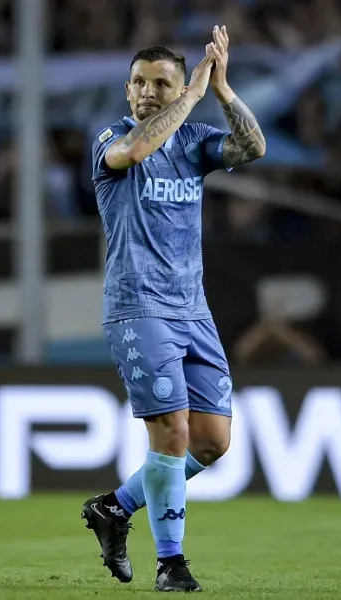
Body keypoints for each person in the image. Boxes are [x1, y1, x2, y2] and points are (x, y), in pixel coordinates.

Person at [81, 26, 266, 593]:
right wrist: (191, 95)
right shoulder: (111, 138)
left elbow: (253, 148)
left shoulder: (194, 143)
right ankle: (171, 564)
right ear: (127, 89)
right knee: (173, 434)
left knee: (212, 441)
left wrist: (223, 90)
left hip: (193, 310)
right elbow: (137, 149)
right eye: (138, 82)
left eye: (160, 84)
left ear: (179, 87)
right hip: (138, 307)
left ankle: (115, 507)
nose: (146, 92)